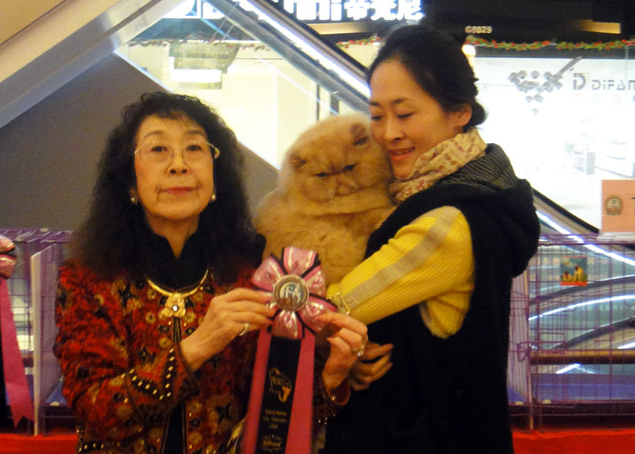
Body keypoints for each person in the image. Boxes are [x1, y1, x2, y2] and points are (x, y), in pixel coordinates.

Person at [53, 92, 367, 454]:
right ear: (130, 181)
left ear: (216, 177)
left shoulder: (253, 273)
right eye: (158, 149)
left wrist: (332, 376)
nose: (179, 165)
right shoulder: (87, 278)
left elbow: (273, 416)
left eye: (194, 148)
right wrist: (199, 345)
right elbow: (95, 410)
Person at [323, 24, 540, 454]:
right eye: (377, 115)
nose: (389, 133)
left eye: (405, 115)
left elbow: (330, 308)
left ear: (460, 112)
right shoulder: (473, 190)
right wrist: (353, 353)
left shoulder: (446, 223)